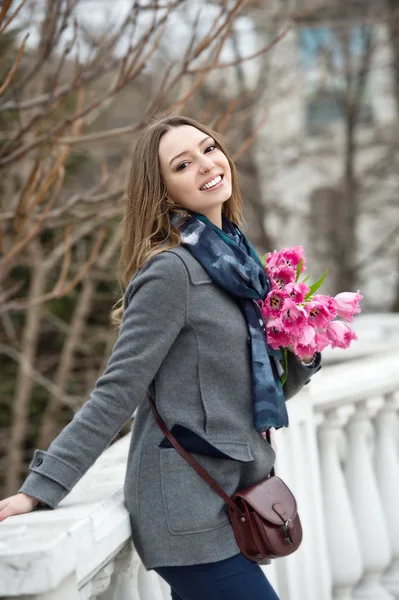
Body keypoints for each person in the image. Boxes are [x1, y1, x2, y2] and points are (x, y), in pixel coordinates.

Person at [0, 115, 321, 600]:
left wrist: (304, 348)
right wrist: (40, 488)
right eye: (183, 164)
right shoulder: (171, 274)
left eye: (209, 149)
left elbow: (259, 392)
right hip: (188, 511)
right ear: (164, 191)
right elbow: (116, 391)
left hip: (236, 496)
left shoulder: (241, 265)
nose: (207, 165)